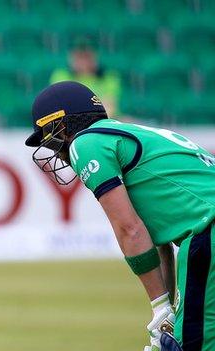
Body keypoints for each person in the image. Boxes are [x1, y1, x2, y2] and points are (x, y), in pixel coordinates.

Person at [25, 81, 215, 351]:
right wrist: (166, 314)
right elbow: (155, 240)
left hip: (209, 232)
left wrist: (160, 308)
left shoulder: (86, 142)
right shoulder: (129, 133)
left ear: (63, 126)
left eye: (49, 136)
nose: (54, 150)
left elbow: (129, 229)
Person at [49, 39, 121, 117]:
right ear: (71, 57)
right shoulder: (60, 76)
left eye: (87, 56)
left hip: (103, 121)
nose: (83, 61)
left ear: (95, 55)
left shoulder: (109, 77)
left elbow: (109, 108)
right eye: (79, 56)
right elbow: (61, 108)